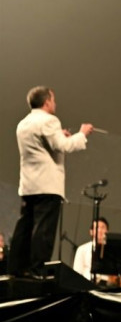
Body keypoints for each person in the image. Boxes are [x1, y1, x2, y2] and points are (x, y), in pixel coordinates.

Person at [8, 86, 94, 277]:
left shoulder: (23, 123)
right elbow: (64, 146)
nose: (55, 103)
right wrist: (82, 134)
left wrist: (58, 136)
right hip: (47, 185)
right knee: (43, 230)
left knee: (25, 227)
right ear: (46, 102)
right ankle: (37, 269)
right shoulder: (49, 120)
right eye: (53, 100)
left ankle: (15, 268)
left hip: (29, 185)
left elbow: (43, 146)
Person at [72, 217, 109, 282]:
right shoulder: (82, 249)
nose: (100, 230)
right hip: (87, 284)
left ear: (107, 231)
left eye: (103, 227)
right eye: (97, 227)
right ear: (91, 232)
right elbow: (76, 272)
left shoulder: (112, 249)